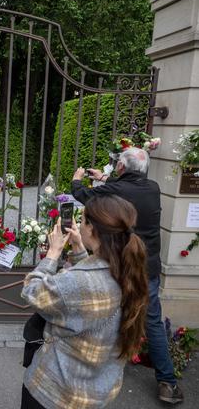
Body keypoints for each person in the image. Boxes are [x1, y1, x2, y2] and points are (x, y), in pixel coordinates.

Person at [73, 147, 183, 404]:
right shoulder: (153, 188)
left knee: (104, 313)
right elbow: (129, 187)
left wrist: (78, 178)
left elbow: (82, 195)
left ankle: (91, 372)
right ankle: (168, 383)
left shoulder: (115, 191)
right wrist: (104, 178)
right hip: (148, 268)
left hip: (120, 266)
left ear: (121, 167)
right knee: (152, 322)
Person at [21, 195, 149, 409]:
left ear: (92, 229)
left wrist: (52, 254)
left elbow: (32, 291)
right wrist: (81, 251)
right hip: (96, 393)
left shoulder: (76, 283)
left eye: (82, 220)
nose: (79, 225)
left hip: (55, 392)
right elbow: (93, 291)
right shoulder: (128, 271)